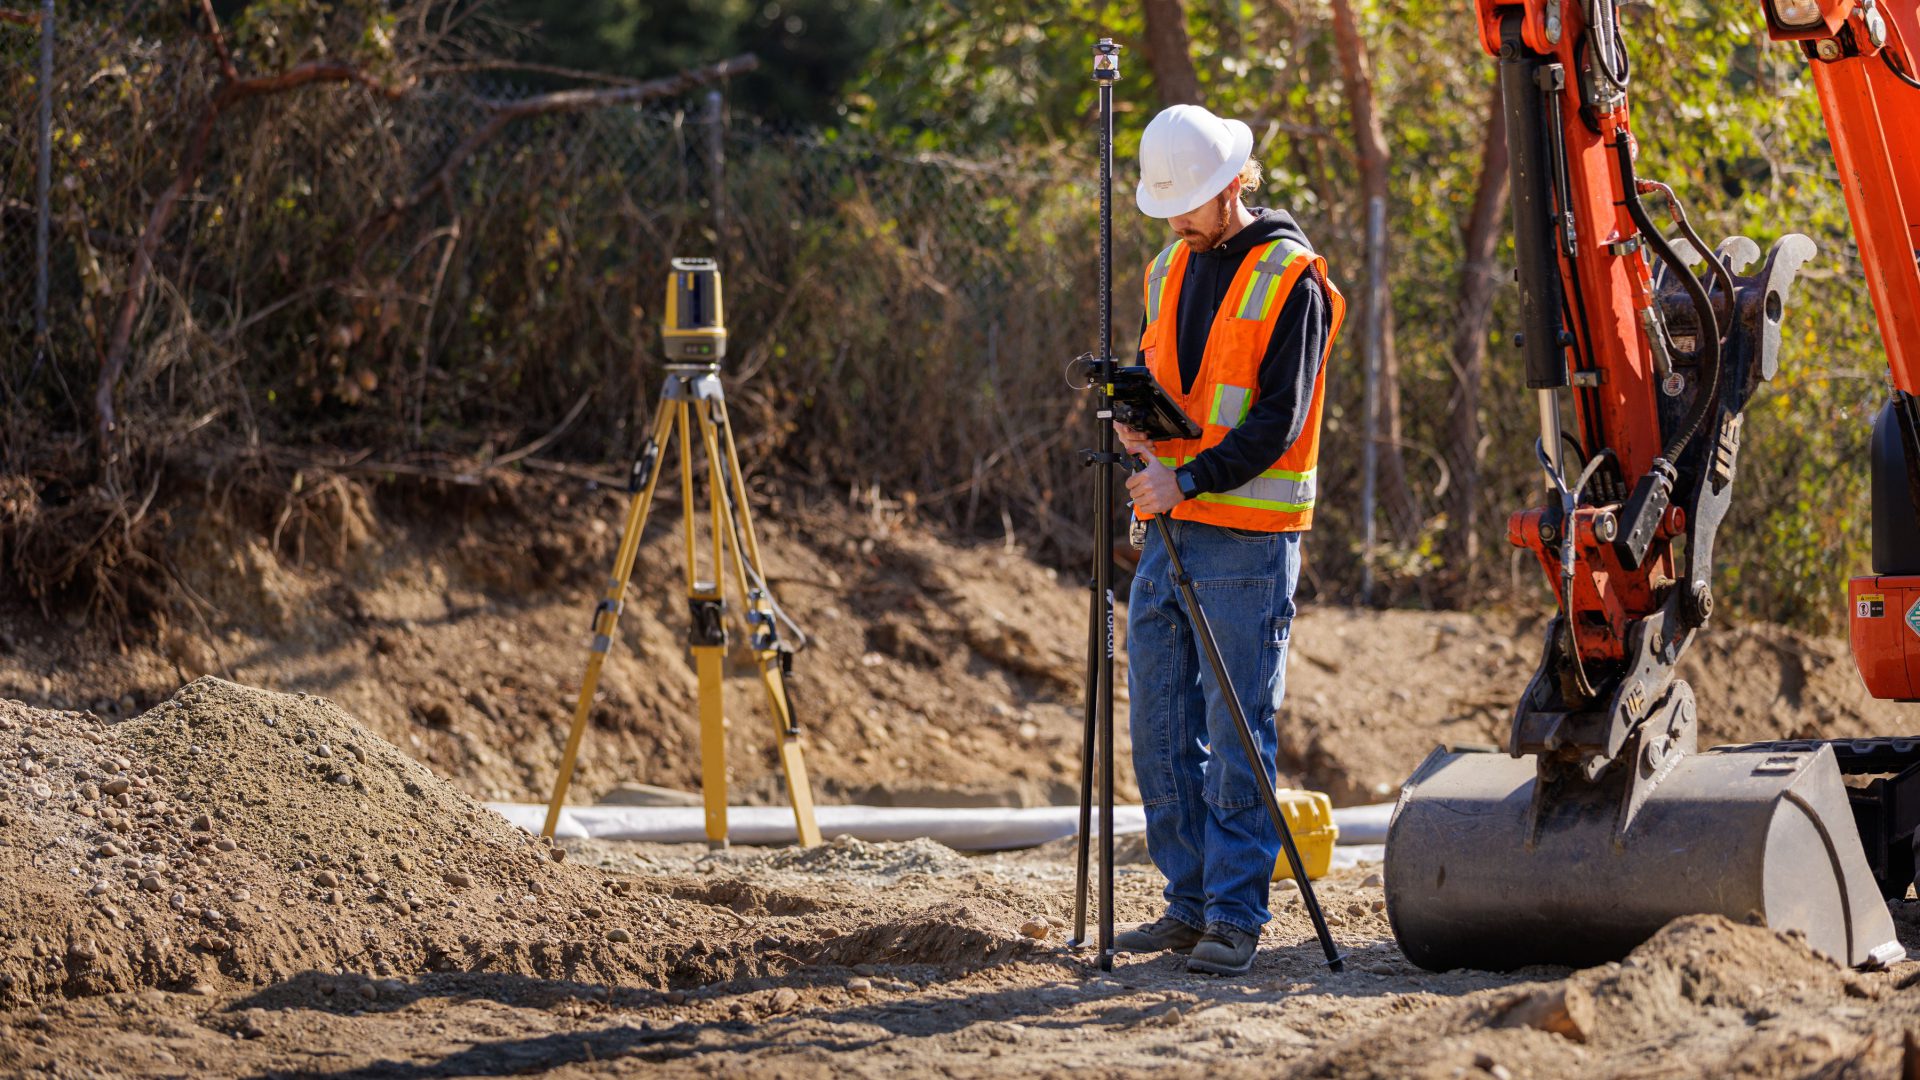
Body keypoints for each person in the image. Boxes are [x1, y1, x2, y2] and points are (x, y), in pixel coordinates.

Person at [1112, 104, 1345, 975]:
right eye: (1169, 205)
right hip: (1166, 524)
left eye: (1193, 203)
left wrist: (1189, 476)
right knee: (1162, 728)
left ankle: (1236, 916)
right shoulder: (1169, 263)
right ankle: (1187, 903)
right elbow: (1170, 374)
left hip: (1245, 537)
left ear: (1237, 184)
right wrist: (1135, 417)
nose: (1177, 219)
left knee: (1238, 728)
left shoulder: (1294, 279)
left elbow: (1279, 423)